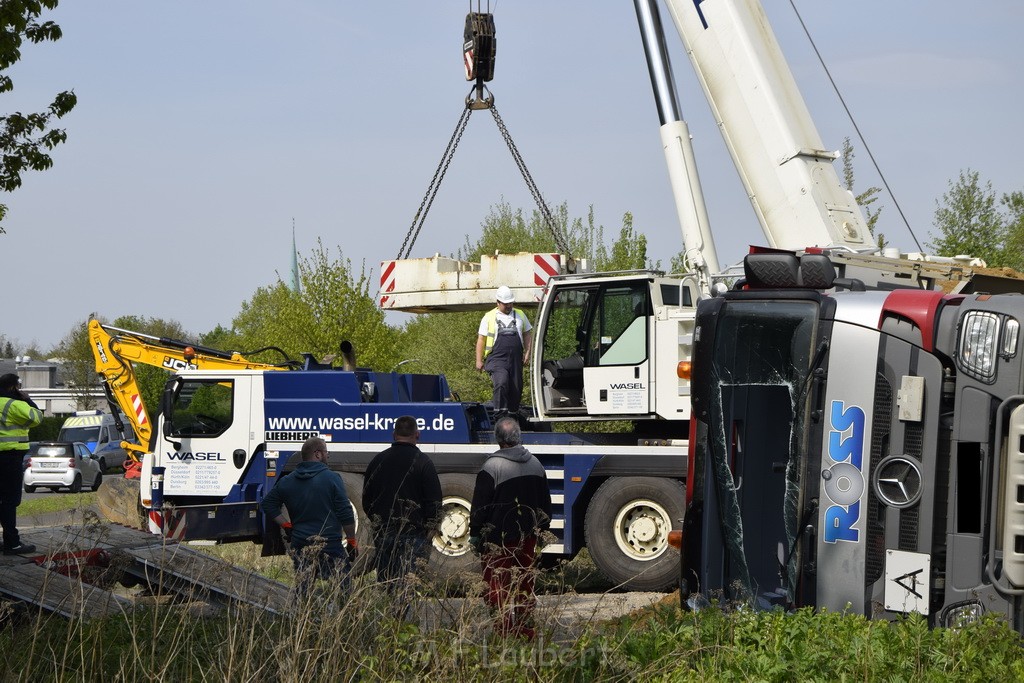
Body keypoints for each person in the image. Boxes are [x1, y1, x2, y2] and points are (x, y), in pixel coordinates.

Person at [469, 416, 552, 639]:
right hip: (528, 538)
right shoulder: (536, 464)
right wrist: (542, 531)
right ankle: (526, 631)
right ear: (519, 437)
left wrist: (476, 534)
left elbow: (480, 507)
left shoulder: (491, 467)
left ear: (498, 439)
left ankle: (503, 633)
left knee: (498, 589)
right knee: (524, 585)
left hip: (498, 541)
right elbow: (545, 504)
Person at [260, 436, 358, 595]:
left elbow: (268, 504)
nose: (328, 455)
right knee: (344, 585)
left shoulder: (287, 480)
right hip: (330, 543)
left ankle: (299, 616)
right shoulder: (332, 478)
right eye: (326, 452)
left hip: (300, 542)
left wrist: (287, 526)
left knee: (303, 587)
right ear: (318, 454)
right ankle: (346, 616)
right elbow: (345, 512)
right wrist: (352, 541)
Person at [362, 415, 442, 597]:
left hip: (384, 532)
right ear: (418, 435)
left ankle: (389, 621)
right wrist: (431, 528)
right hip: (415, 535)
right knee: (407, 587)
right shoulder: (424, 463)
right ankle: (400, 621)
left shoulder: (378, 461)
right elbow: (434, 501)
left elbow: (367, 499)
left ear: (393, 434)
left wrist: (378, 522)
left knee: (387, 584)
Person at [0, 373, 43, 555]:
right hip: (9, 458)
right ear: (13, 387)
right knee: (10, 501)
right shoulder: (14, 404)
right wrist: (28, 400)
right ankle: (12, 543)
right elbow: (37, 418)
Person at [475, 285, 532, 421]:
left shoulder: (520, 315)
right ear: (498, 302)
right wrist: (478, 360)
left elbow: (527, 334)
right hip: (496, 358)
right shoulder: (488, 317)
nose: (509, 306)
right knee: (501, 382)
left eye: (510, 303)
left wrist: (528, 352)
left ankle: (512, 417)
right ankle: (499, 416)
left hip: (515, 359)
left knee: (516, 388)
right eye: (506, 304)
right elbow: (481, 340)